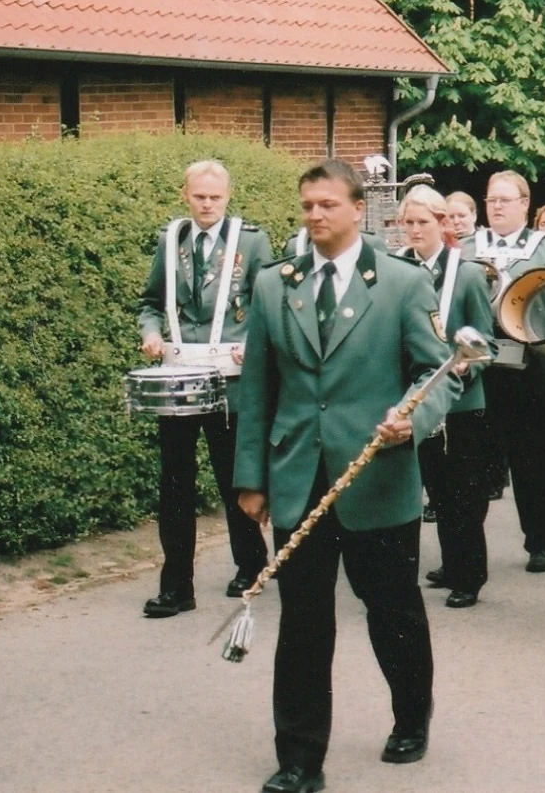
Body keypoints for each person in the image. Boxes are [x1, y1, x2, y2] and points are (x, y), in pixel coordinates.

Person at [233, 159, 461, 793]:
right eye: (306, 205)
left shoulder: (399, 283)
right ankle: (300, 760)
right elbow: (257, 389)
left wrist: (410, 422)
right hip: (298, 477)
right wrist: (251, 477)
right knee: (304, 622)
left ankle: (411, 715)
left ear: (360, 209)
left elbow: (438, 372)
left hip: (377, 476)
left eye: (326, 205)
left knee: (392, 609)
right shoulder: (275, 285)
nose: (314, 216)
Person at [136, 159, 271, 617]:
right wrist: (151, 333)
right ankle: (177, 586)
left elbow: (270, 307)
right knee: (174, 485)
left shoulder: (251, 242)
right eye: (199, 196)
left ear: (228, 196)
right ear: (185, 194)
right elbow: (150, 303)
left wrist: (252, 344)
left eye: (215, 197)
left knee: (233, 476)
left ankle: (251, 564)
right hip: (177, 381)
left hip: (229, 382)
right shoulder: (170, 240)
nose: (207, 204)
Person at [466, 171, 545, 570]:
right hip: (478, 369)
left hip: (532, 367)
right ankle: (463, 555)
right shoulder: (465, 247)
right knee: (473, 463)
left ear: (524, 205)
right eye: (491, 199)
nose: (495, 206)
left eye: (505, 200)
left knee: (533, 459)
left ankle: (540, 540)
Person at [396, 186, 497, 609]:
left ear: (442, 224)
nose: (415, 230)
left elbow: (488, 342)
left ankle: (469, 573)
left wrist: (467, 363)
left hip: (460, 400)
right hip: (415, 396)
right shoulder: (396, 269)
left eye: (423, 222)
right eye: (409, 223)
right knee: (433, 486)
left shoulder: (468, 273)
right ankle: (450, 563)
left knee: (462, 492)